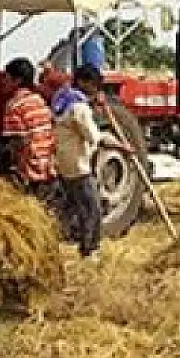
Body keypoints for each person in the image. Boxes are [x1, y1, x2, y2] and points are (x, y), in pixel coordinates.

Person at [51, 63, 117, 258]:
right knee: (92, 208)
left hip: (64, 162)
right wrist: (119, 146)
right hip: (78, 165)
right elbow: (93, 136)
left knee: (77, 206)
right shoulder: (78, 107)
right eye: (93, 85)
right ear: (82, 82)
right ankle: (90, 250)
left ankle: (79, 243)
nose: (96, 89)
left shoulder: (62, 100)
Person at [0, 58, 58, 200]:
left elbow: (19, 141)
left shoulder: (14, 106)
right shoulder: (39, 100)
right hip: (49, 165)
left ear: (17, 80)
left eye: (6, 78)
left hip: (31, 171)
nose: (3, 82)